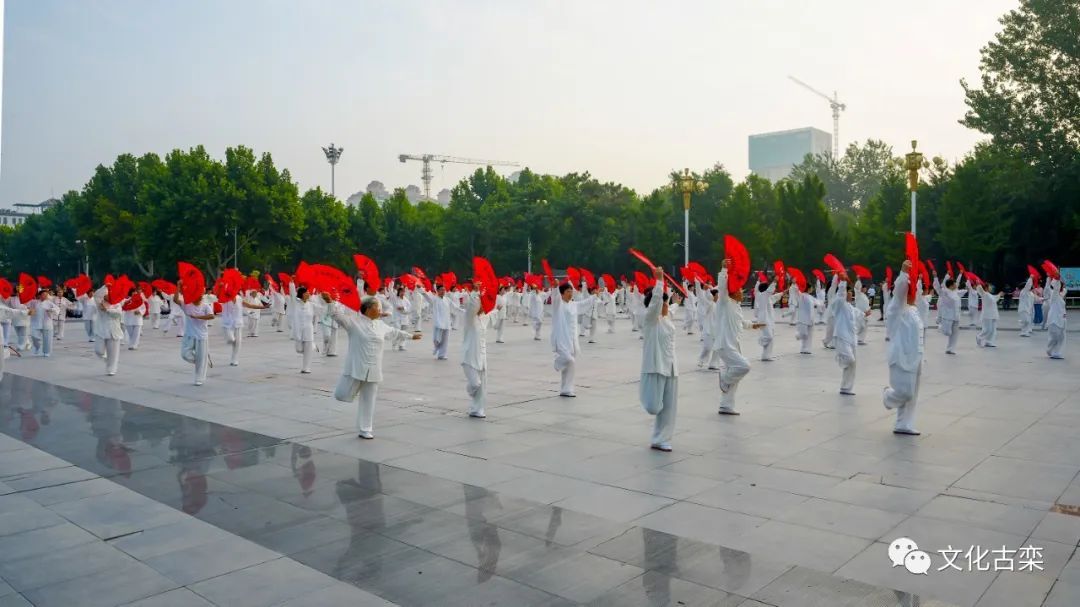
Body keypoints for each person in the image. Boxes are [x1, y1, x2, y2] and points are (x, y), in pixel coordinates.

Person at [329, 293, 421, 439]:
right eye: (377, 307)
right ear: (368, 309)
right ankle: (349, 398)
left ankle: (365, 429)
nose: (380, 310)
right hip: (357, 367)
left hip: (374, 369)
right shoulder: (354, 322)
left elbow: (394, 332)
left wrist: (410, 336)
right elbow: (336, 315)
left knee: (369, 400)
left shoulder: (381, 325)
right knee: (341, 394)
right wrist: (330, 302)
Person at [713, 262, 764, 415]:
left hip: (734, 344)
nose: (742, 292)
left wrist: (753, 325)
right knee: (743, 366)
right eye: (740, 290)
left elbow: (740, 322)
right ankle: (724, 379)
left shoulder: (736, 306)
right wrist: (724, 269)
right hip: (725, 345)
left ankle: (726, 405)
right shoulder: (725, 302)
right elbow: (722, 288)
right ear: (733, 292)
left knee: (735, 376)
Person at [883, 261, 924, 435]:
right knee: (905, 392)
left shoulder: (913, 310)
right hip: (901, 356)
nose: (913, 293)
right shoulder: (897, 308)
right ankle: (888, 396)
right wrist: (904, 273)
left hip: (916, 356)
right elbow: (899, 290)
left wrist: (916, 278)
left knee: (912, 394)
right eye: (911, 290)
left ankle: (903, 424)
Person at [639, 268, 678, 451]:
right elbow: (655, 303)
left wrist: (675, 302)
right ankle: (647, 400)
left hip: (671, 367)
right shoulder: (650, 320)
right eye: (665, 303)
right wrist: (660, 281)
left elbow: (670, 309)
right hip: (655, 366)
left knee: (669, 408)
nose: (667, 306)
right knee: (654, 406)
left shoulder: (666, 318)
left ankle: (661, 439)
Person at [550, 281, 595, 397]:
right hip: (561, 338)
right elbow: (555, 297)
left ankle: (566, 389)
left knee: (569, 366)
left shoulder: (573, 305)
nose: (570, 294)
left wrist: (595, 296)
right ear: (562, 293)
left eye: (571, 291)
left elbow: (584, 303)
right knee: (569, 361)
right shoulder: (558, 305)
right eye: (568, 291)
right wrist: (555, 287)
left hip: (572, 340)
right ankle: (558, 362)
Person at [175, 283, 215, 386]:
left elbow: (211, 316)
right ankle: (203, 360)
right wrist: (178, 287)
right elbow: (176, 300)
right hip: (189, 335)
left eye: (202, 294)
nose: (201, 296)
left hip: (202, 336)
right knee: (185, 354)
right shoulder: (187, 305)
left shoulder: (205, 306)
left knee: (201, 358)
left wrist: (198, 317)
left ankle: (199, 378)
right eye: (199, 294)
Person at [459, 290, 490, 418]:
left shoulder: (484, 318)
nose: (480, 306)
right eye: (479, 304)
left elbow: (492, 314)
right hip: (470, 357)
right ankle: (472, 397)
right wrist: (475, 292)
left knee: (482, 386)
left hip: (482, 358)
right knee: (475, 384)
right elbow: (471, 306)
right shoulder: (469, 319)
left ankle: (477, 409)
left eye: (481, 304)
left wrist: (497, 309)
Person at [833, 284, 858, 395]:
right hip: (842, 336)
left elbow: (858, 313)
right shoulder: (839, 304)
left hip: (852, 338)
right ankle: (840, 359)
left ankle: (846, 387)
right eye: (849, 291)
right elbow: (840, 295)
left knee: (853, 364)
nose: (851, 293)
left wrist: (865, 314)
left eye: (851, 292)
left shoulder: (850, 307)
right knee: (850, 359)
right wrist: (842, 282)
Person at [94, 286, 124, 376]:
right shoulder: (99, 303)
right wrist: (105, 286)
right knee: (99, 351)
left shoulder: (117, 304)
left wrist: (107, 310)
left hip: (114, 331)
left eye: (109, 294)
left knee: (113, 353)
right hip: (101, 330)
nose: (107, 295)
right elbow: (96, 295)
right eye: (105, 294)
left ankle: (111, 369)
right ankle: (106, 359)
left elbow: (118, 314)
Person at [754, 277, 782, 361]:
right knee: (769, 337)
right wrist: (774, 281)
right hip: (764, 320)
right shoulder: (762, 295)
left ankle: (766, 356)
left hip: (769, 320)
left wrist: (782, 293)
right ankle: (760, 341)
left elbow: (774, 297)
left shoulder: (767, 298)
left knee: (771, 338)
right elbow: (769, 291)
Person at [934, 273, 963, 355]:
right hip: (948, 317)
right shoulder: (945, 292)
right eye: (955, 284)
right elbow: (938, 288)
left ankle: (951, 349)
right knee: (947, 332)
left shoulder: (956, 292)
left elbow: (963, 290)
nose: (956, 285)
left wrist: (968, 287)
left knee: (955, 334)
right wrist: (935, 277)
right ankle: (941, 325)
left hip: (956, 316)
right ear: (951, 285)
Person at [423, 284, 453, 359]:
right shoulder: (435, 299)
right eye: (441, 290)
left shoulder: (447, 299)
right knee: (436, 339)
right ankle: (437, 347)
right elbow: (427, 297)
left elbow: (455, 307)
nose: (443, 291)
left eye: (444, 290)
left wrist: (465, 311)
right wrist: (422, 290)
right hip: (438, 322)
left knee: (445, 340)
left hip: (446, 322)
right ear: (437, 291)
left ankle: (442, 355)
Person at [291, 285, 316, 373]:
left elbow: (321, 309)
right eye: (306, 293)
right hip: (298, 330)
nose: (308, 294)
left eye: (308, 292)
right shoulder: (295, 304)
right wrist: (291, 283)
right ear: (301, 294)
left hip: (308, 330)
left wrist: (328, 301)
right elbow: (292, 293)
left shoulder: (311, 305)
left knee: (308, 350)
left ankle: (306, 368)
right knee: (299, 349)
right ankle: (313, 346)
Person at [29, 290, 58, 357]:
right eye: (44, 295)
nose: (45, 296)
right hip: (36, 322)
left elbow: (57, 309)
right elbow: (30, 313)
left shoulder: (49, 303)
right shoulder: (34, 302)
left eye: (46, 295)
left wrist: (51, 310)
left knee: (47, 339)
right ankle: (37, 347)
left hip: (47, 323)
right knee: (34, 336)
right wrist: (30, 311)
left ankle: (46, 352)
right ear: (39, 295)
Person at [697, 286, 720, 369]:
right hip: (708, 329)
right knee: (707, 347)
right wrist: (707, 290)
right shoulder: (709, 304)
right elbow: (706, 296)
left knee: (717, 347)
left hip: (717, 330)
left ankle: (713, 363)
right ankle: (701, 359)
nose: (718, 296)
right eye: (717, 295)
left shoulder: (720, 305)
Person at [795, 284, 822, 354]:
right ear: (808, 288)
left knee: (809, 335)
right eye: (811, 288)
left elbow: (818, 302)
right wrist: (796, 284)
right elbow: (797, 291)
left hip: (811, 318)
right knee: (804, 334)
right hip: (803, 318)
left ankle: (806, 348)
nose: (812, 289)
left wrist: (821, 303)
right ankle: (798, 336)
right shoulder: (802, 296)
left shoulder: (811, 297)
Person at [1045, 276, 1067, 359]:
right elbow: (1053, 288)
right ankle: (1053, 351)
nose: (1063, 287)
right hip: (1054, 320)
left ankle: (1053, 351)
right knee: (1055, 337)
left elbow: (1064, 290)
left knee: (1061, 337)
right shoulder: (1054, 295)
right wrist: (1056, 279)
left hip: (1061, 320)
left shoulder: (1060, 296)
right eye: (1062, 285)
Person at [975, 283, 1000, 348]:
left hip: (993, 314)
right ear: (986, 288)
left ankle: (988, 342)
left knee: (993, 330)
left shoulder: (990, 295)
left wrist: (999, 295)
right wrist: (979, 285)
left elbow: (995, 298)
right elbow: (980, 290)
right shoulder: (984, 294)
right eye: (990, 286)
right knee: (987, 329)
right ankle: (979, 337)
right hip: (987, 315)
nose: (991, 287)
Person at [854, 280, 871, 345]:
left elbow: (866, 304)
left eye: (866, 288)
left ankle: (861, 340)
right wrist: (859, 280)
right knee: (859, 326)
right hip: (859, 313)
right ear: (861, 288)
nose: (865, 289)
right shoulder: (858, 294)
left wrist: (869, 310)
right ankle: (855, 338)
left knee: (864, 327)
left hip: (866, 313)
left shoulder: (864, 295)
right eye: (864, 288)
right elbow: (856, 288)